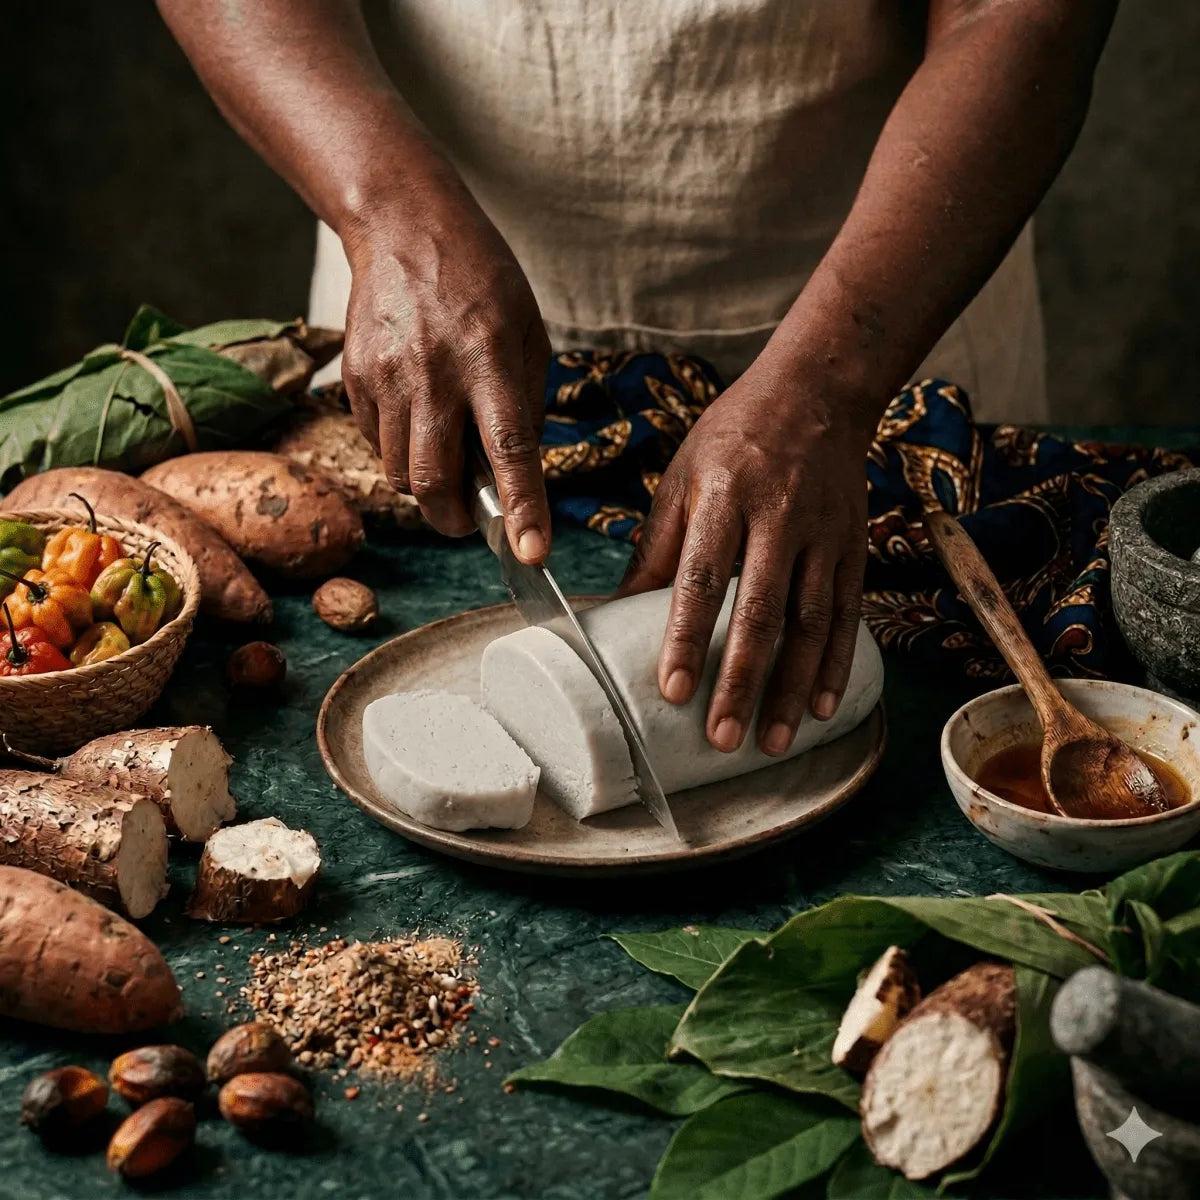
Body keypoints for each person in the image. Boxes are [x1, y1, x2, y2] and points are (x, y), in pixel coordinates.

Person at [158, 0, 1116, 758]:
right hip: (426, 306)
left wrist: (832, 381)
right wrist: (384, 208)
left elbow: (1022, 12)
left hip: (882, 324)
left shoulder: (859, 368)